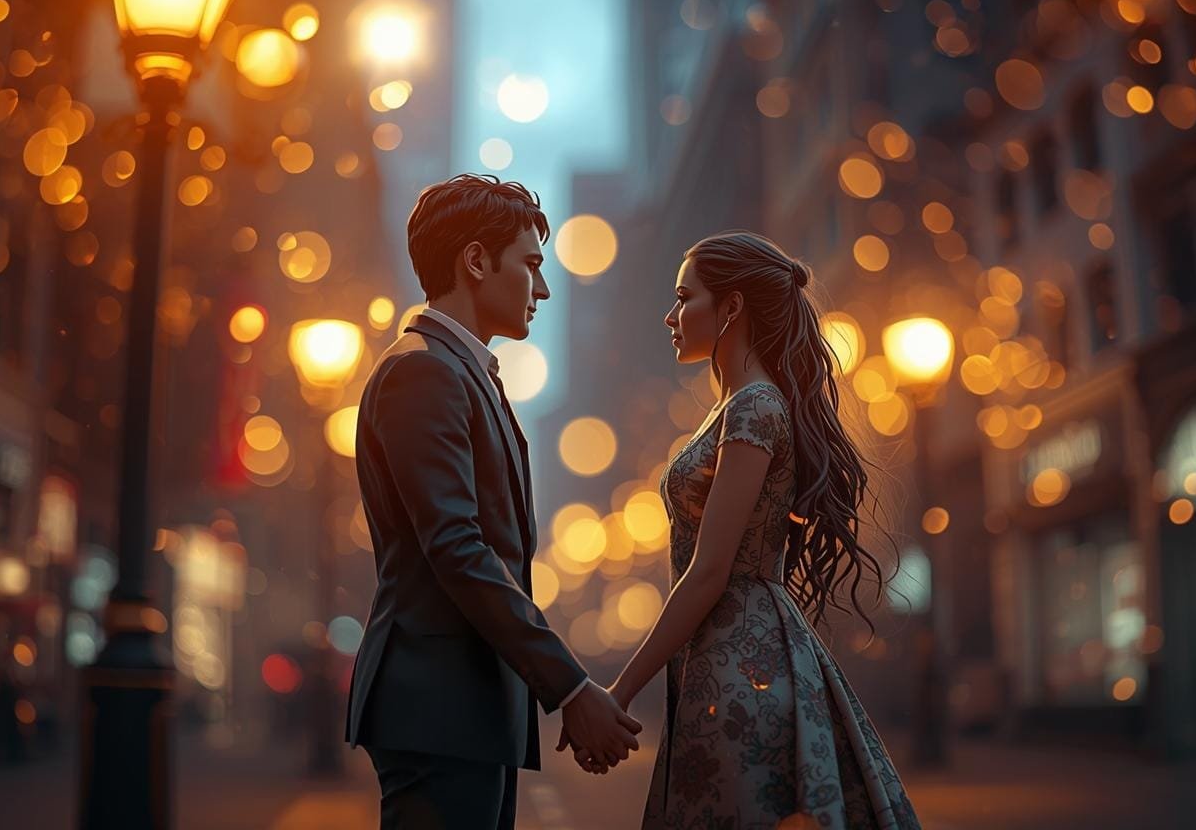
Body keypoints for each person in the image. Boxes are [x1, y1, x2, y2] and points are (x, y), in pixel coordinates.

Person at [569, 231, 922, 828]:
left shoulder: (755, 406)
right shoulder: (735, 406)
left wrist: (617, 693)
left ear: (731, 307)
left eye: (685, 298)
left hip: (743, 666)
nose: (670, 316)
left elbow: (710, 571)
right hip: (727, 654)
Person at [345, 174, 642, 830]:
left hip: (462, 707)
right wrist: (569, 687)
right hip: (438, 706)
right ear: (476, 261)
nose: (543, 288)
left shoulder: (456, 370)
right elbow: (458, 549)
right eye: (531, 265)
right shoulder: (424, 371)